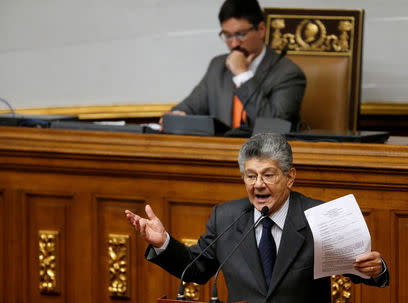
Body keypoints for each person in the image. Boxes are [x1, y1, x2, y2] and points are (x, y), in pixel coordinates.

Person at [125, 133, 389, 303]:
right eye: (250, 176)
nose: (258, 185)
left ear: (290, 177)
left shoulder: (318, 217)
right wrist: (163, 243)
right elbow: (197, 268)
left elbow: (359, 269)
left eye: (268, 175)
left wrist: (376, 269)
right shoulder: (225, 216)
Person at [162, 0, 306, 131]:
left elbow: (275, 126)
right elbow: (190, 106)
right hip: (220, 153)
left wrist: (242, 74)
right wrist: (175, 116)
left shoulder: (288, 73)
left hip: (263, 156)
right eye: (228, 36)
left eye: (241, 34)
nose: (234, 43)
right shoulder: (218, 66)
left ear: (261, 30)